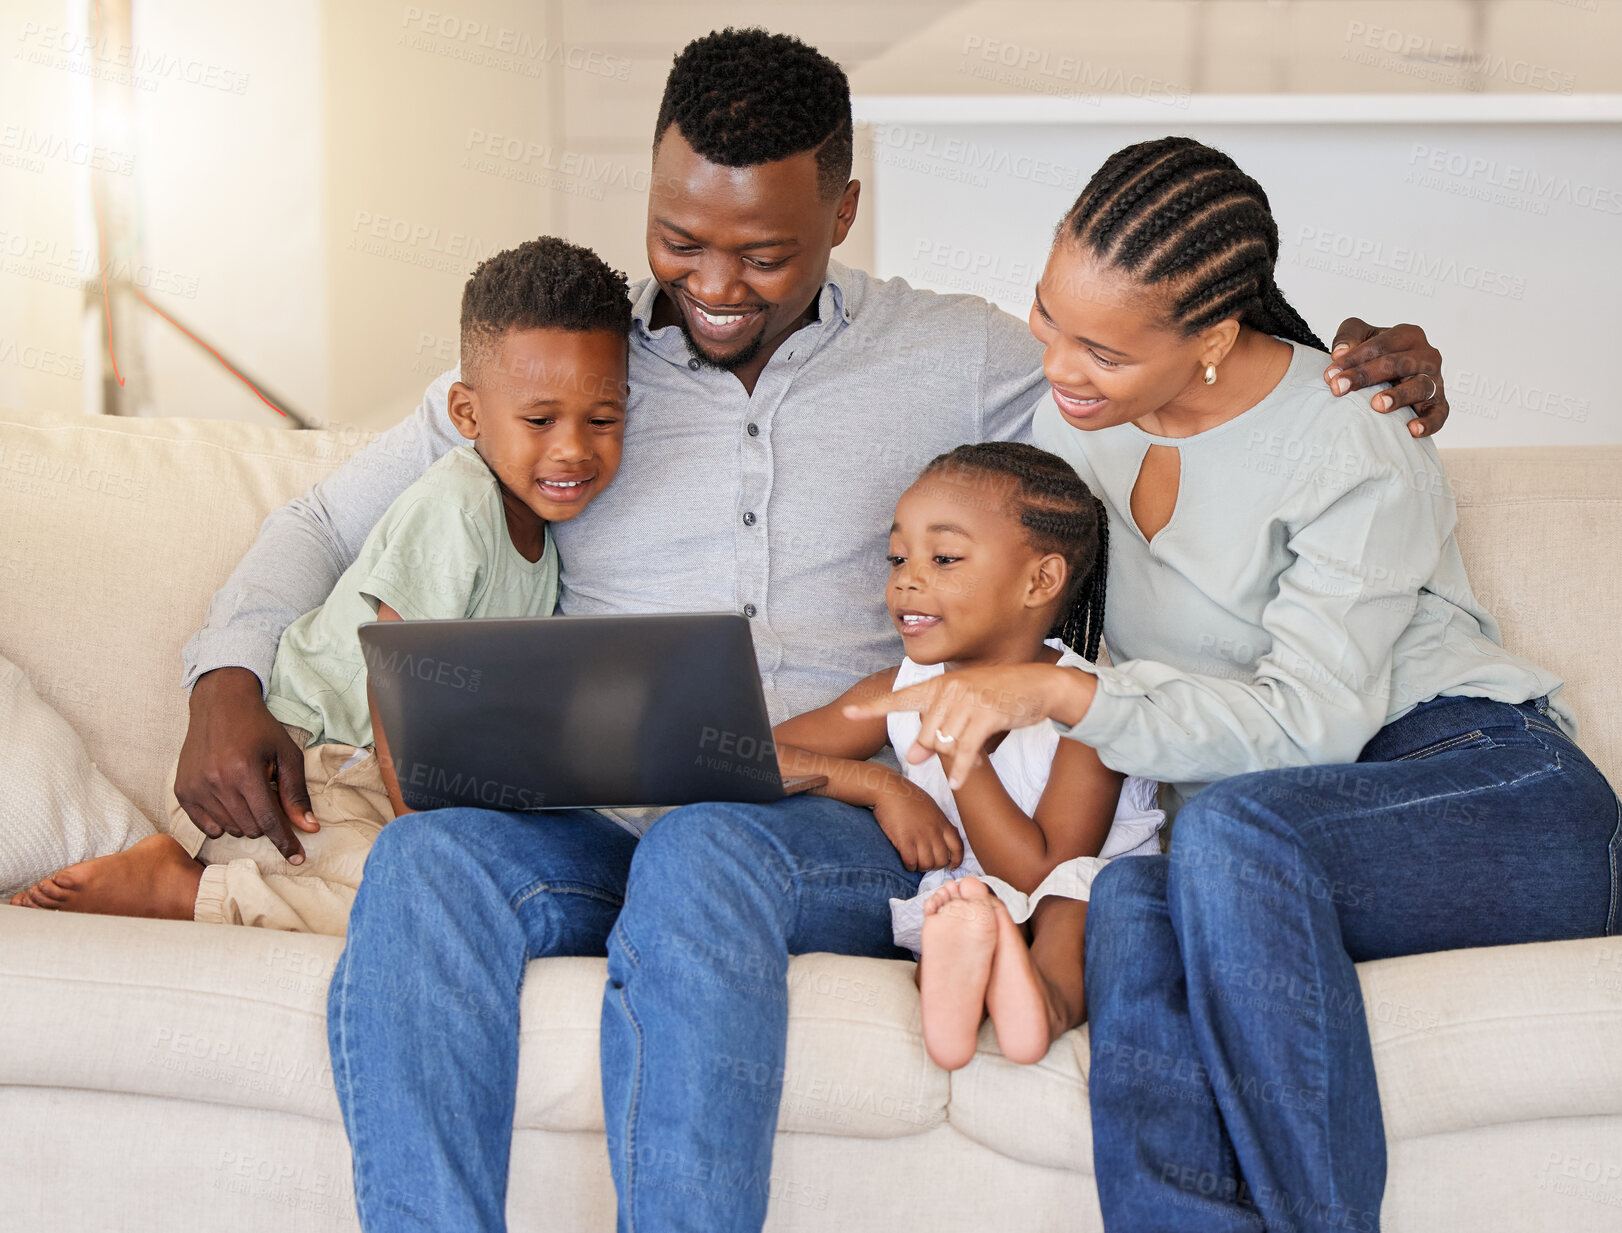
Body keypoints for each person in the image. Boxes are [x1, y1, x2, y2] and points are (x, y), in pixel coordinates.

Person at [173, 30, 1455, 1233]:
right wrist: (225, 673)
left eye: (765, 254)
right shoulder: (562, 362)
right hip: (589, 813)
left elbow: (1152, 353)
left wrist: (1348, 357)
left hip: (826, 831)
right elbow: (319, 523)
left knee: (712, 849)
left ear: (840, 215)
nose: (712, 284)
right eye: (680, 238)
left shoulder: (961, 357)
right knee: (427, 863)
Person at [845, 136, 1622, 1233]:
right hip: (1260, 839)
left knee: (1228, 835)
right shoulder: (1084, 438)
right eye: (1047, 321)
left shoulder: (1351, 436)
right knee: (1125, 898)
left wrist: (1069, 700)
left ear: (1209, 336)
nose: (1061, 368)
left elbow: (1308, 726)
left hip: (1485, 793)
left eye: (1102, 351)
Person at [11, 237, 631, 933]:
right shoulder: (460, 505)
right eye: (540, 420)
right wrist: (428, 831)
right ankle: (178, 887)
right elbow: (399, 679)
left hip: (364, 784)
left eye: (602, 420)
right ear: (466, 413)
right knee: (427, 901)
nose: (573, 448)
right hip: (307, 776)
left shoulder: (542, 538)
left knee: (468, 899)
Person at [772, 441, 1164, 1071]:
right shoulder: (896, 693)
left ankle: (1047, 1005)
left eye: (944, 557)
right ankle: (960, 996)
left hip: (1078, 888)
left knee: (1071, 904)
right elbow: (739, 754)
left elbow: (1039, 872)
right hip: (978, 894)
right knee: (958, 908)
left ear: (1040, 579)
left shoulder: (1092, 708)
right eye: (898, 557)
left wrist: (963, 752)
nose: (907, 578)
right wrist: (881, 787)